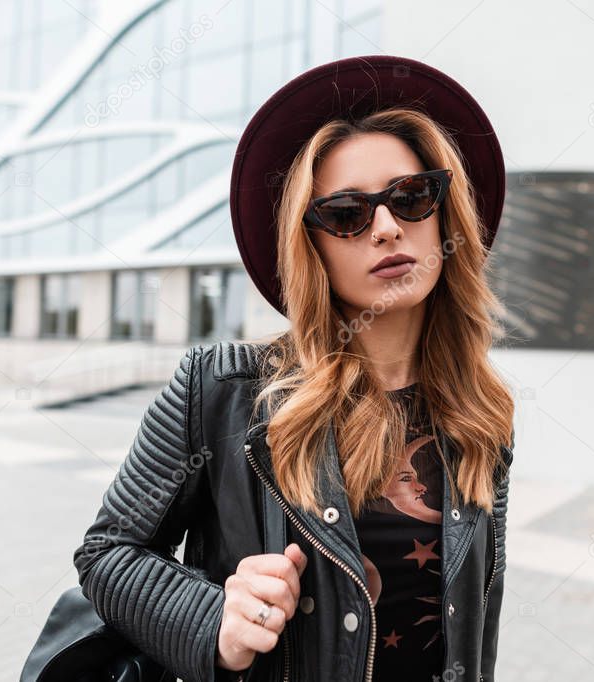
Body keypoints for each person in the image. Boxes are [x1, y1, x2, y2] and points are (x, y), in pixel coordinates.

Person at [73, 54, 515, 682]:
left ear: (447, 214)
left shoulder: (482, 411)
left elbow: (477, 623)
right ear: (310, 247)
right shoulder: (220, 390)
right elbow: (107, 553)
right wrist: (214, 620)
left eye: (411, 197)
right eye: (345, 213)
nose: (387, 227)